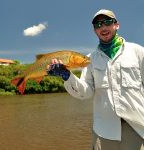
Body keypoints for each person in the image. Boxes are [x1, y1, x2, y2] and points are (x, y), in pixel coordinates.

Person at [47, 9, 144, 150]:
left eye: (108, 22)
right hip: (104, 132)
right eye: (98, 24)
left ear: (117, 25)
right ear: (94, 30)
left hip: (138, 128)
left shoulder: (138, 52)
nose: (103, 27)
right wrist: (67, 76)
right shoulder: (90, 59)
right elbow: (86, 92)